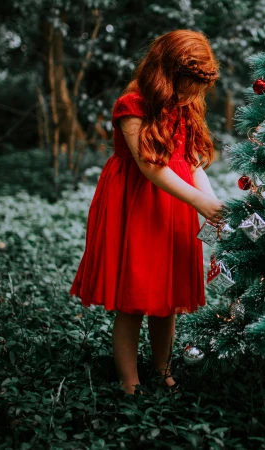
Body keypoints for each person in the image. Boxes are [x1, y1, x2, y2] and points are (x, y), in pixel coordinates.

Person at [69, 29, 226, 395]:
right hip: (137, 203)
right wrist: (199, 201)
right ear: (167, 73)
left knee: (166, 297)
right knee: (134, 297)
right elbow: (149, 167)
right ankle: (130, 381)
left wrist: (211, 202)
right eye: (188, 85)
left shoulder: (183, 103)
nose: (192, 96)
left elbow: (190, 160)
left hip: (176, 201)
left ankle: (162, 368)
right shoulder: (133, 103)